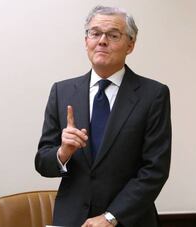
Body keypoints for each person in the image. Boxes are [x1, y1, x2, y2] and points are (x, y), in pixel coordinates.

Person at [35, 6, 171, 227]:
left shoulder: (153, 94)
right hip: (72, 219)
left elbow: (155, 170)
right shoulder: (62, 92)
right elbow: (42, 162)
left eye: (113, 35)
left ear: (131, 44)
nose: (102, 41)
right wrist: (63, 153)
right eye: (95, 33)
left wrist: (111, 217)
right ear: (86, 41)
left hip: (129, 220)